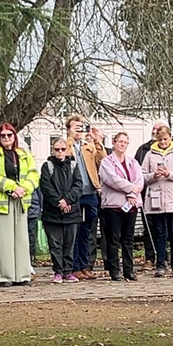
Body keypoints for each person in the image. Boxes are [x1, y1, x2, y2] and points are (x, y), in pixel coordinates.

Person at [0, 123, 40, 286]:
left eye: (10, 135)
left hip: (21, 200)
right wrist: (13, 187)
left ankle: (22, 275)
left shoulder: (23, 154)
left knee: (21, 240)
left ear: (15, 136)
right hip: (2, 201)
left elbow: (33, 174)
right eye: (3, 135)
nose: (7, 138)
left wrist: (23, 189)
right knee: (4, 240)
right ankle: (4, 277)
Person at [142, 126, 173, 278]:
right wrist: (153, 175)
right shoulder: (149, 154)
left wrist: (169, 174)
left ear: (170, 138)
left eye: (165, 139)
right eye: (160, 139)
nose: (163, 142)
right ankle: (160, 264)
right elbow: (142, 176)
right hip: (156, 198)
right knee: (160, 233)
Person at [65, 115, 107, 279]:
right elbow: (65, 156)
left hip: (90, 192)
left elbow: (102, 160)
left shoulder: (88, 146)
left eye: (81, 127)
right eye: (76, 127)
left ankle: (85, 265)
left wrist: (98, 141)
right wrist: (70, 137)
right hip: (75, 193)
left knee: (88, 231)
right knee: (74, 231)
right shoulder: (66, 145)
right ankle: (74, 267)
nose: (79, 130)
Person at [99, 132, 143, 282]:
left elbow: (140, 179)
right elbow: (112, 180)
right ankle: (114, 270)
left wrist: (133, 194)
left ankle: (129, 270)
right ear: (114, 143)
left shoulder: (133, 162)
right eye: (120, 141)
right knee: (113, 239)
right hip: (113, 205)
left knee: (128, 239)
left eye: (125, 142)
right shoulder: (106, 162)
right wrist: (131, 188)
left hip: (131, 204)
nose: (122, 144)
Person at [40, 138, 83, 283]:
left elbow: (78, 185)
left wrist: (68, 200)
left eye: (62, 149)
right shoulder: (47, 166)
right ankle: (58, 271)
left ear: (67, 149)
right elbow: (46, 186)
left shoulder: (73, 165)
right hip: (52, 212)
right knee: (55, 244)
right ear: (52, 150)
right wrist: (59, 201)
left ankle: (68, 271)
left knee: (69, 244)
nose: (60, 152)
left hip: (71, 212)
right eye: (57, 149)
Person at [134, 122, 163, 269]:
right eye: (154, 129)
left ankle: (164, 257)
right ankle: (150, 257)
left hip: (168, 195)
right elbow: (137, 171)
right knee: (149, 227)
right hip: (148, 194)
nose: (155, 132)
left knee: (164, 228)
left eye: (158, 130)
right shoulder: (144, 149)